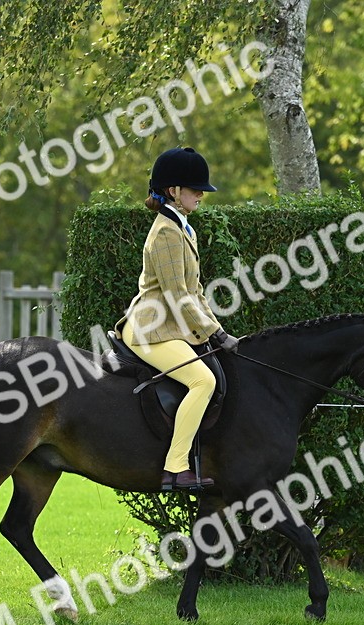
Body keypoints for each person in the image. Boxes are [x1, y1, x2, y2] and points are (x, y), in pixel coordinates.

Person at [114, 146, 240, 492]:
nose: (201, 194)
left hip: (169, 327)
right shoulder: (166, 233)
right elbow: (175, 294)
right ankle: (175, 467)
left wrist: (218, 332)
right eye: (194, 189)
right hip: (149, 330)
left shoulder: (183, 228)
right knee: (203, 381)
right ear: (173, 191)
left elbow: (195, 292)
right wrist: (213, 333)